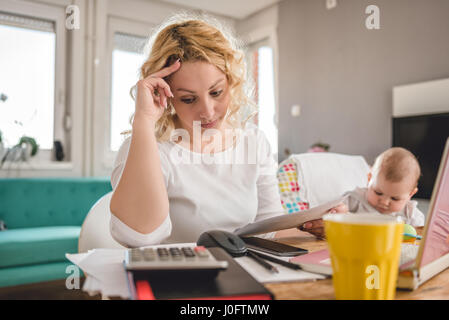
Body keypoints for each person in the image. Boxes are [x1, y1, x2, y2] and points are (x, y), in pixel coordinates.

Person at [109, 15, 287, 247]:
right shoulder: (148, 148)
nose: (207, 111)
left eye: (216, 92)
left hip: (245, 274)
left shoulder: (254, 141)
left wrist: (316, 228)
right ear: (166, 95)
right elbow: (139, 237)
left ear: (231, 81)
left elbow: (271, 227)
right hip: (177, 279)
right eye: (188, 99)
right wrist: (143, 121)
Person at [301, 147, 425, 238]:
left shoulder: (411, 214)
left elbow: (419, 238)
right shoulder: (353, 199)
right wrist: (338, 213)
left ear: (410, 195)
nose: (384, 202)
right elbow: (332, 214)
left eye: (395, 199)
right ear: (369, 179)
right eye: (378, 192)